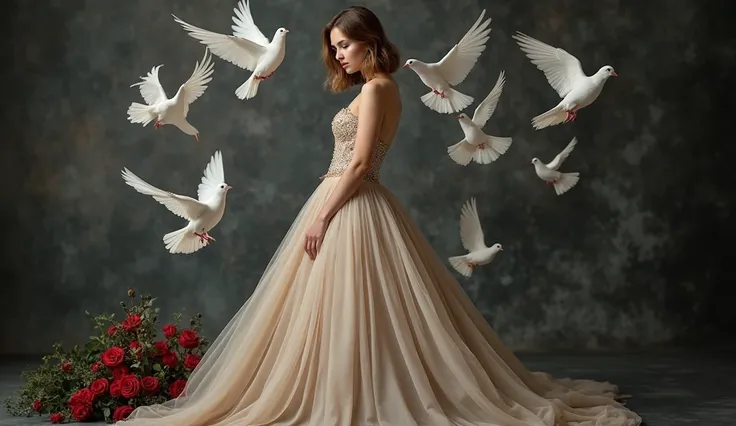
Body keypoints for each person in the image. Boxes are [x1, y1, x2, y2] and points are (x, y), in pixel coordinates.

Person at [118, 6, 642, 426]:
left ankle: (354, 395)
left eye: (344, 44)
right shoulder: (382, 88)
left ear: (370, 41)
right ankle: (351, 387)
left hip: (349, 200)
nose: (338, 55)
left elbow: (364, 161)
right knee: (350, 307)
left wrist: (323, 215)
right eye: (334, 48)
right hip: (357, 199)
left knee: (355, 306)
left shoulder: (377, 88)